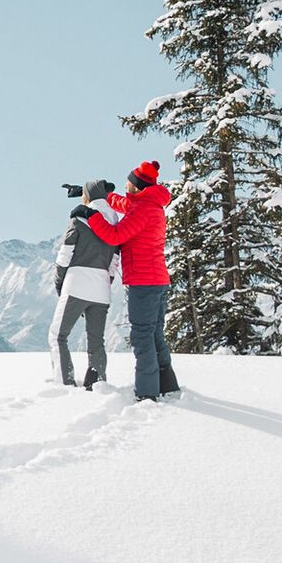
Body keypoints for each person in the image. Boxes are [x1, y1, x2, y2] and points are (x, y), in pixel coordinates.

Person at [82, 160, 180, 401]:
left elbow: (115, 235)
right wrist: (101, 197)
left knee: (142, 336)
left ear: (138, 187)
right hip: (156, 280)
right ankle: (167, 383)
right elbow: (125, 203)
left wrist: (90, 215)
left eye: (128, 184)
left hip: (144, 283)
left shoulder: (143, 210)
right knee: (155, 333)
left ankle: (147, 392)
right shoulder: (149, 203)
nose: (125, 187)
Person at [50, 179, 121, 389]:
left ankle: (65, 382)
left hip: (76, 284)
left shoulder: (79, 217)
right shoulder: (115, 222)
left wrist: (59, 282)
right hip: (101, 290)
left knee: (58, 336)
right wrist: (104, 283)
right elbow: (113, 264)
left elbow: (65, 255)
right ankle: (97, 383)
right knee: (96, 342)